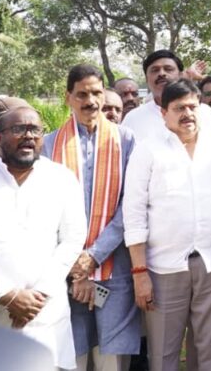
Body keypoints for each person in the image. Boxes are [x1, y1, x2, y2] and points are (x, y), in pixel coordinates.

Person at [123, 79, 211, 371]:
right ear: (164, 113)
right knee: (164, 352)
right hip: (163, 267)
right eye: (179, 108)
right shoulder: (148, 150)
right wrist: (140, 272)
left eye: (192, 107)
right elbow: (134, 213)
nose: (187, 114)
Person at [0, 106, 87, 370]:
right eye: (19, 129)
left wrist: (39, 295)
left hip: (46, 312)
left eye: (35, 130)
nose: (29, 136)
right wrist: (7, 295)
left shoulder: (61, 179)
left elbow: (73, 239)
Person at [43, 65, 141, 371]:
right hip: (65, 268)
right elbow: (46, 208)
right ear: (68, 97)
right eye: (82, 94)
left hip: (113, 263)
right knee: (73, 351)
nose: (90, 101)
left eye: (96, 93)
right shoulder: (49, 144)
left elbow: (131, 205)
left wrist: (94, 256)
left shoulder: (126, 140)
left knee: (112, 357)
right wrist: (77, 268)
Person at [121, 50, 211, 149]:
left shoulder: (204, 112)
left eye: (168, 69)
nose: (161, 73)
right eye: (155, 70)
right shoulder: (133, 118)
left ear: (181, 75)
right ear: (147, 79)